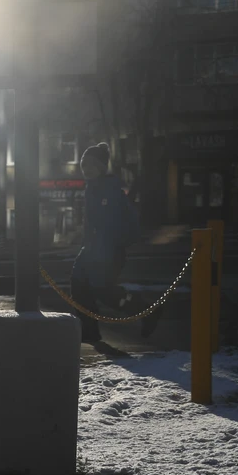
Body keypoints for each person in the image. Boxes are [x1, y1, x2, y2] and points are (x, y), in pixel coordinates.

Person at [70, 142, 162, 344]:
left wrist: (106, 248)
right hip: (92, 249)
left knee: (103, 291)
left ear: (101, 167)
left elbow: (111, 224)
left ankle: (146, 310)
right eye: (84, 165)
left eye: (91, 165)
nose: (86, 170)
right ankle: (89, 332)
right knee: (79, 287)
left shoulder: (109, 189)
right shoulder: (92, 188)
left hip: (108, 251)